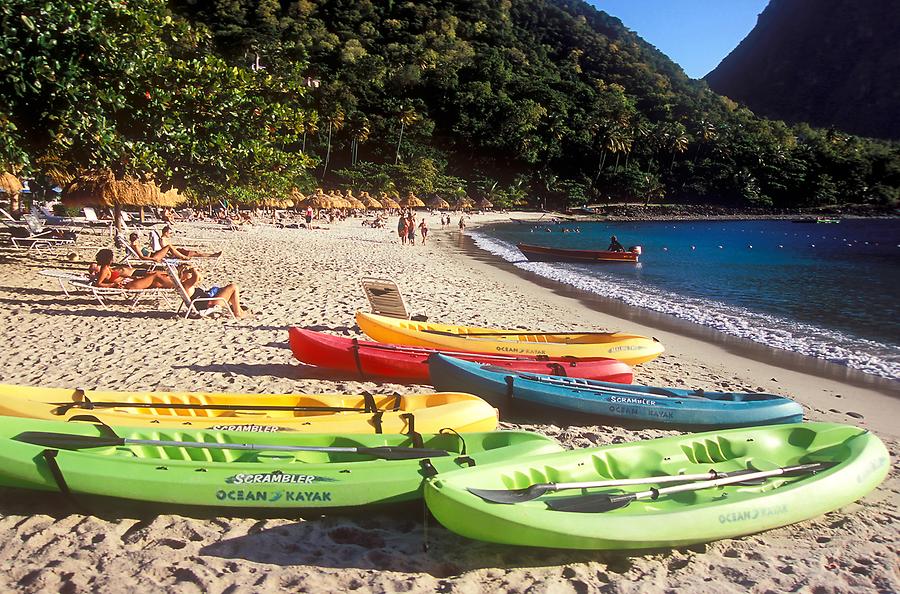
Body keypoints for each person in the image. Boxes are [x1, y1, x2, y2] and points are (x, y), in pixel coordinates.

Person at [177, 264, 251, 319]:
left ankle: (239, 311)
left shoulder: (187, 285)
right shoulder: (187, 285)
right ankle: (238, 313)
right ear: (183, 277)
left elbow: (200, 278)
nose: (190, 273)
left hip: (209, 301)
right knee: (233, 287)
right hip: (209, 304)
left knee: (229, 290)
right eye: (187, 272)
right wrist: (192, 269)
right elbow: (196, 278)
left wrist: (192, 270)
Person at [92, 249, 172, 290]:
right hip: (127, 285)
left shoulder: (106, 268)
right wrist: (113, 285)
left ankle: (175, 281)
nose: (113, 259)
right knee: (155, 276)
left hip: (129, 281)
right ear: (108, 259)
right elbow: (98, 284)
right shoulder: (104, 270)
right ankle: (176, 285)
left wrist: (132, 278)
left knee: (154, 276)